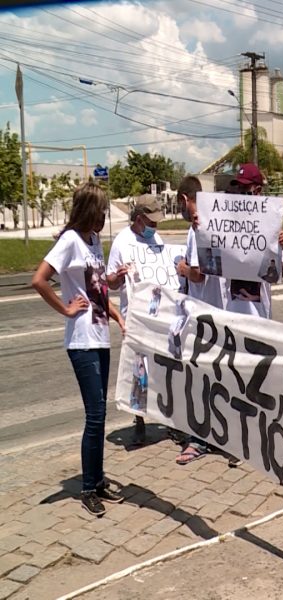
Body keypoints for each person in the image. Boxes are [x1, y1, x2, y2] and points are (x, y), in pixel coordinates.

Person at [31, 182, 126, 517]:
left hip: (100, 336)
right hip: (82, 341)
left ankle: (98, 481)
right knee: (95, 414)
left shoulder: (94, 241)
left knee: (100, 416)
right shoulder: (70, 240)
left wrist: (114, 296)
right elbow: (39, 279)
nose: (104, 218)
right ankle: (88, 487)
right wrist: (65, 309)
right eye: (100, 211)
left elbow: (98, 286)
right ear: (89, 211)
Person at [173, 175, 227, 464]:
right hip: (219, 310)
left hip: (202, 312)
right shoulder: (215, 221)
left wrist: (182, 268)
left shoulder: (197, 229)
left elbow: (199, 272)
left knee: (198, 379)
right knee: (214, 376)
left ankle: (199, 439)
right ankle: (218, 434)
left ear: (184, 199)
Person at [106, 194, 166, 446]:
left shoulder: (157, 239)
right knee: (139, 370)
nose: (155, 227)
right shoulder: (122, 242)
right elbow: (109, 281)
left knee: (163, 367)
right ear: (139, 218)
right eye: (150, 222)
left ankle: (168, 415)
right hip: (136, 316)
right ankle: (139, 420)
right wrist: (119, 277)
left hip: (159, 313)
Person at [224, 163, 283, 318]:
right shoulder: (226, 222)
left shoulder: (270, 225)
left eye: (245, 189)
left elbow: (277, 275)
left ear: (257, 191)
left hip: (259, 315)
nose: (240, 193)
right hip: (232, 313)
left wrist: (278, 250)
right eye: (238, 188)